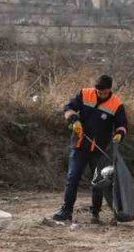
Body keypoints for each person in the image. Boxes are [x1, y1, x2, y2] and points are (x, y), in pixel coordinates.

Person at [52, 74, 127, 223]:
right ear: (95, 88)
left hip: (99, 149)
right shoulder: (85, 93)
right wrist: (74, 120)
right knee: (72, 178)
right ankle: (66, 211)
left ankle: (95, 213)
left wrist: (119, 134)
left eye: (104, 92)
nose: (101, 94)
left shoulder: (116, 104)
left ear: (110, 89)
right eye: (99, 92)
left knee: (98, 182)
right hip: (79, 145)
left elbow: (122, 125)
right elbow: (69, 108)